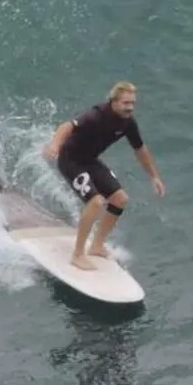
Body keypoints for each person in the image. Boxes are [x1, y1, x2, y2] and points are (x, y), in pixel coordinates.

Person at [41, 81, 165, 270]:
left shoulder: (128, 124)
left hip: (90, 161)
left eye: (133, 103)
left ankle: (97, 245)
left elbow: (140, 150)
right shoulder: (96, 116)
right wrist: (54, 145)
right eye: (125, 103)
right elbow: (66, 127)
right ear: (114, 101)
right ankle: (77, 255)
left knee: (120, 199)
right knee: (96, 201)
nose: (130, 107)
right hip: (71, 161)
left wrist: (154, 176)